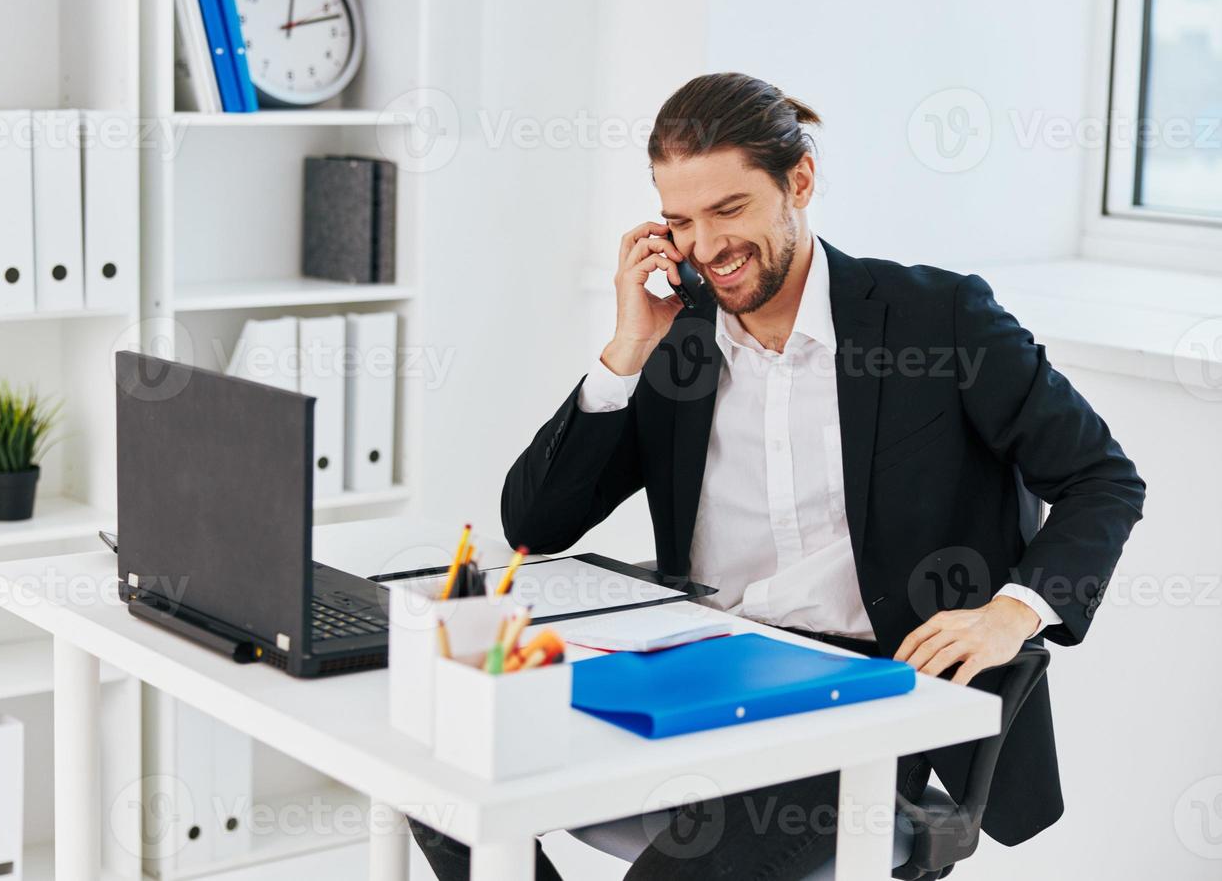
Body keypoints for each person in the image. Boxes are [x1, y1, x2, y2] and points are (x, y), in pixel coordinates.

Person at [410, 73, 1146, 879]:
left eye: (729, 211)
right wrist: (625, 351)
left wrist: (1013, 612)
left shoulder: (939, 320)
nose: (706, 248)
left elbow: (1102, 479)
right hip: (702, 671)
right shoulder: (676, 345)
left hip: (863, 700)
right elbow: (537, 524)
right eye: (680, 221)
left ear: (799, 180)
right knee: (438, 775)